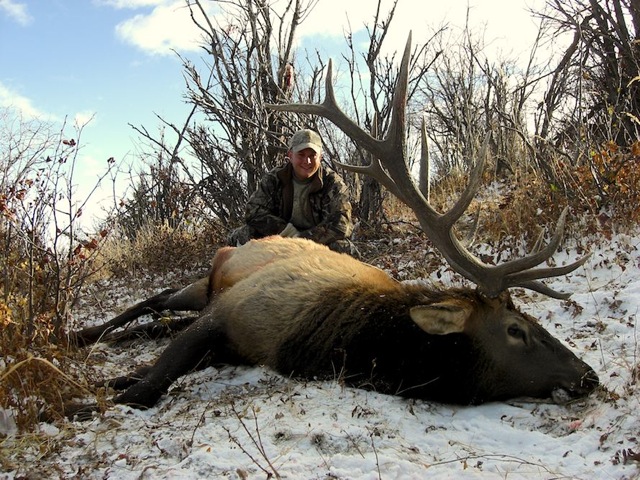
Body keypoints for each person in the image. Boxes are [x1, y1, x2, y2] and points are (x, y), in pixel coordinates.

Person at [227, 128, 354, 253]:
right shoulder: (274, 178)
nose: (307, 161)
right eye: (301, 155)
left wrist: (302, 240)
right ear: (290, 155)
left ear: (320, 157)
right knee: (241, 236)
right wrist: (288, 233)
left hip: (315, 243)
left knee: (345, 249)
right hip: (282, 237)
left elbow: (341, 224)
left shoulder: (333, 183)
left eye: (312, 155)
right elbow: (253, 212)